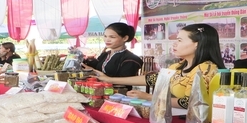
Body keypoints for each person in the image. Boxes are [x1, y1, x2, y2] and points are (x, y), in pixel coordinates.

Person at [93, 23, 225, 109]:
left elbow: (189, 102)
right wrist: (109, 80)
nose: (174, 44)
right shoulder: (179, 66)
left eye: (179, 40)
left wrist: (149, 97)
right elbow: (152, 79)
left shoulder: (205, 69)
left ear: (197, 44)